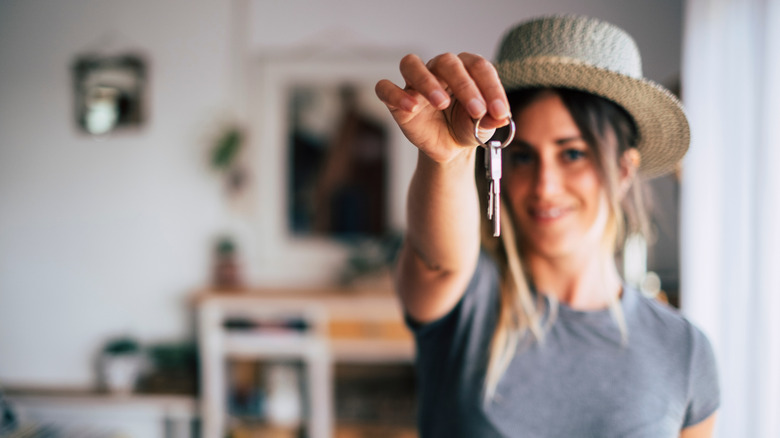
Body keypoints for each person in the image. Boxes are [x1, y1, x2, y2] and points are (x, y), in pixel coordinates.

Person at [375, 14, 719, 438]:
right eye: (522, 156)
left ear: (624, 169)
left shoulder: (684, 352)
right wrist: (447, 159)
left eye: (572, 154)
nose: (545, 186)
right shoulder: (469, 302)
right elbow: (437, 262)